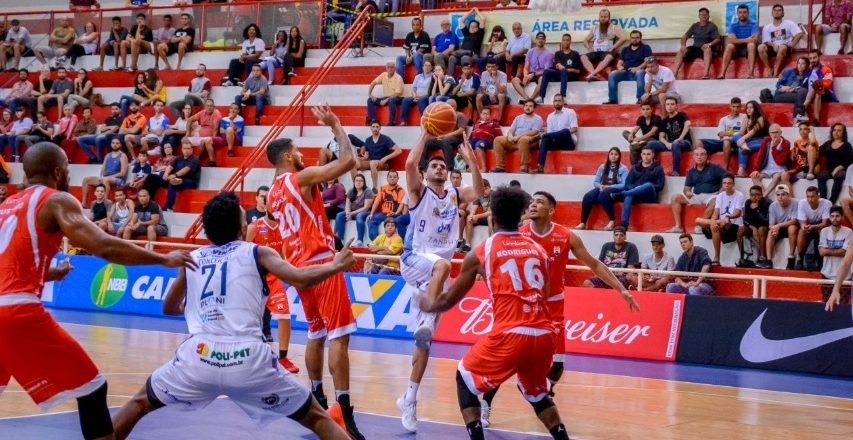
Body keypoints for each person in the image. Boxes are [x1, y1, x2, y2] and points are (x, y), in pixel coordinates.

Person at [111, 192, 352, 440]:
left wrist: (196, 309)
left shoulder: (192, 258)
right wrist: (335, 265)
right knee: (316, 418)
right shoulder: (259, 253)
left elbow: (169, 308)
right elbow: (301, 278)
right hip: (248, 359)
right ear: (240, 224)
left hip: (199, 356)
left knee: (139, 404)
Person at [0, 142, 195, 440]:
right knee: (93, 388)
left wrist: (48, 273)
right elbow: (103, 245)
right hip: (17, 312)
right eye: (66, 167)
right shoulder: (56, 200)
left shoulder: (7, 206)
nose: (68, 173)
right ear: (57, 171)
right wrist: (162, 259)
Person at [424, 185, 638, 439]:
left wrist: (429, 304)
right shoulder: (536, 248)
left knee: (466, 377)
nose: (535, 205)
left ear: (493, 214)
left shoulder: (489, 248)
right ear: (522, 213)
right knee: (537, 392)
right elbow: (545, 290)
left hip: (515, 326)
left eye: (540, 202)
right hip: (543, 324)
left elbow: (451, 297)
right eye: (532, 202)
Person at [265, 105, 366, 439]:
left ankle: (318, 396)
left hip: (298, 271)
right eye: (298, 152)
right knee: (339, 335)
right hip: (322, 263)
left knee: (315, 332)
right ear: (291, 156)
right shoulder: (300, 178)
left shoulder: (273, 196)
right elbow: (349, 163)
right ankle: (344, 409)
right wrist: (337, 125)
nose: (301, 155)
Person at [395, 127, 483, 433]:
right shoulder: (419, 193)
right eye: (433, 164)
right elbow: (408, 166)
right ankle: (430, 306)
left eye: (443, 165)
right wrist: (424, 133)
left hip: (433, 275)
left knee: (424, 343)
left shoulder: (456, 194)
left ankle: (409, 398)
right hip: (413, 260)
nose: (439, 166)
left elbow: (481, 191)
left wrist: (468, 153)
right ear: (425, 171)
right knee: (445, 266)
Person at [245, 209, 301, 374]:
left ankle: (283, 358)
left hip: (275, 279)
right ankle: (248, 356)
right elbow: (245, 254)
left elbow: (285, 257)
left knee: (284, 316)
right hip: (255, 278)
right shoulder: (254, 227)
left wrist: (291, 274)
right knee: (251, 320)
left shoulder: (285, 228)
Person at [612, 146, 665, 230]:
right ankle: (624, 225)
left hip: (649, 196)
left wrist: (644, 187)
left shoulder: (658, 168)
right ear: (641, 155)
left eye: (648, 154)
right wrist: (638, 188)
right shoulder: (635, 167)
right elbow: (627, 184)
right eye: (644, 154)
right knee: (628, 196)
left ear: (653, 155)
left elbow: (660, 186)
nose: (646, 156)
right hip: (635, 195)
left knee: (648, 185)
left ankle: (622, 194)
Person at [695, 174, 744, 265]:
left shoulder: (739, 195)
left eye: (729, 183)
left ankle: (716, 257)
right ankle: (716, 258)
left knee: (717, 226)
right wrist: (713, 221)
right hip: (721, 222)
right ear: (722, 184)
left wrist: (728, 217)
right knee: (698, 220)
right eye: (724, 183)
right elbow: (715, 213)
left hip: (733, 224)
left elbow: (737, 212)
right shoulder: (720, 196)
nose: (726, 185)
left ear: (733, 184)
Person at [576, 147, 628, 231]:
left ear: (619, 156)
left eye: (616, 154)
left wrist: (609, 187)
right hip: (603, 187)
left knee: (602, 196)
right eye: (611, 154)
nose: (613, 156)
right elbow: (596, 182)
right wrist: (600, 186)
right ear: (608, 155)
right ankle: (583, 222)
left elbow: (624, 185)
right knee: (587, 197)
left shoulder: (623, 169)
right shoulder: (602, 167)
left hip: (616, 189)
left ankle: (612, 220)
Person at [491, 99, 542, 173]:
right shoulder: (518, 118)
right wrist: (510, 136)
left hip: (531, 140)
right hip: (516, 140)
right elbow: (511, 130)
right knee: (498, 139)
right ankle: (500, 167)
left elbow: (534, 132)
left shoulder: (538, 119)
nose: (528, 107)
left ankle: (524, 167)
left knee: (523, 139)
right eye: (526, 106)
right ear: (523, 107)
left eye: (530, 106)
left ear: (534, 108)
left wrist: (519, 136)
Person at [647, 97, 692, 176]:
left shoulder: (682, 115)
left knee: (676, 143)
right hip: (671, 144)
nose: (669, 106)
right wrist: (667, 143)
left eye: (672, 104)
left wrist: (680, 138)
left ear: (676, 106)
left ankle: (676, 171)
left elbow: (688, 124)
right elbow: (661, 137)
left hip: (685, 142)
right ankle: (652, 168)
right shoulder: (664, 120)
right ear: (665, 106)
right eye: (667, 104)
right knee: (651, 144)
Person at [605, 30, 652, 105]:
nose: (635, 39)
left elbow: (647, 61)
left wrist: (637, 68)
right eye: (633, 38)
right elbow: (620, 61)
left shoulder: (645, 48)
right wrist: (619, 67)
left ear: (640, 38)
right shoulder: (625, 49)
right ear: (630, 38)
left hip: (638, 72)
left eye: (637, 37)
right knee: (612, 74)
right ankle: (612, 100)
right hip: (625, 72)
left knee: (640, 73)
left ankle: (640, 99)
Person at [672, 7, 721, 79]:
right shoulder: (695, 25)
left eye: (705, 14)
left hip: (705, 48)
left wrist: (709, 44)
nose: (703, 16)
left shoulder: (712, 26)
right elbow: (684, 37)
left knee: (707, 49)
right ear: (699, 16)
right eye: (701, 15)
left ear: (708, 16)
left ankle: (706, 74)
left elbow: (717, 39)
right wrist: (683, 45)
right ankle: (674, 74)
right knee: (681, 50)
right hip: (695, 48)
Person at [534, 94, 577, 174]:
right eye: (555, 101)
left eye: (559, 101)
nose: (557, 103)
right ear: (553, 102)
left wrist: (551, 134)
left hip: (567, 142)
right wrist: (549, 135)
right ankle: (540, 165)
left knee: (565, 131)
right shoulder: (550, 116)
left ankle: (545, 136)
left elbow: (574, 129)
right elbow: (550, 133)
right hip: (555, 142)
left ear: (563, 102)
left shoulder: (570, 112)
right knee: (546, 138)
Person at [580, 9, 627, 82]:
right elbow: (585, 40)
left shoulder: (614, 27)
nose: (603, 18)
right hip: (596, 52)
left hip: (607, 53)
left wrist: (613, 47)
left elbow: (624, 38)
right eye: (601, 17)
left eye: (605, 17)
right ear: (599, 17)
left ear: (609, 18)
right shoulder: (595, 28)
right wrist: (589, 48)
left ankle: (592, 74)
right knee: (583, 57)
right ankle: (595, 75)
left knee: (608, 57)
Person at [758, 4, 804, 78]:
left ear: (783, 13)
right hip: (773, 48)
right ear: (772, 13)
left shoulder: (789, 23)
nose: (777, 12)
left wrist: (791, 45)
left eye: (779, 10)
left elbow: (800, 34)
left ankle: (776, 71)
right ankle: (769, 69)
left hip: (785, 48)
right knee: (760, 47)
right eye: (775, 10)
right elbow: (766, 41)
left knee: (782, 47)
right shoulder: (767, 27)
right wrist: (773, 45)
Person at [81, 137, 128, 208]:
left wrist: (107, 177)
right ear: (111, 144)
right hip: (105, 178)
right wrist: (101, 177)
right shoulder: (108, 155)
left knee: (106, 180)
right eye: (113, 143)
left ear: (120, 145)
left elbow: (122, 174)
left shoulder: (123, 156)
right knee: (86, 179)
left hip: (117, 179)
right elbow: (103, 169)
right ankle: (84, 203)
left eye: (117, 143)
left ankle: (104, 203)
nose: (115, 145)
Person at [355, 120, 402, 190]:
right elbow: (367, 155)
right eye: (373, 127)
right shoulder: (368, 140)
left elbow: (398, 150)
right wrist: (363, 158)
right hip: (371, 162)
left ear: (380, 128)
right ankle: (356, 187)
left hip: (383, 163)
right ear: (370, 128)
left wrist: (385, 158)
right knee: (354, 163)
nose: (375, 128)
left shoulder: (385, 139)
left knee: (372, 163)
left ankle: (374, 188)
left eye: (377, 127)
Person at [750, 124, 794, 197]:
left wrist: (773, 148)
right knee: (754, 176)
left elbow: (780, 161)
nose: (774, 135)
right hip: (767, 168)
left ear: (780, 133)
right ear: (769, 133)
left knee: (776, 176)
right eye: (772, 133)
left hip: (779, 169)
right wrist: (756, 169)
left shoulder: (786, 143)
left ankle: (764, 196)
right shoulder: (766, 140)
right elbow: (760, 156)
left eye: (776, 132)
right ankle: (766, 197)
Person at [819, 206, 852, 300]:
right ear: (829, 217)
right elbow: (821, 252)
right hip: (827, 273)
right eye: (832, 216)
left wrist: (828, 251)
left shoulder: (849, 232)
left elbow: (845, 253)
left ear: (842, 217)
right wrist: (839, 251)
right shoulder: (824, 231)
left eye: (837, 216)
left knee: (843, 304)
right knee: (825, 301)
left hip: (845, 277)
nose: (834, 219)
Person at [718, 4, 758, 79]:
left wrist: (737, 40)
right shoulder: (733, 25)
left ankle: (751, 73)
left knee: (751, 45)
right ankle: (722, 73)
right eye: (740, 12)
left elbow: (754, 39)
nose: (742, 14)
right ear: (737, 14)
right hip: (736, 49)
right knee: (729, 46)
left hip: (748, 49)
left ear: (748, 13)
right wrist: (746, 40)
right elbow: (731, 40)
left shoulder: (754, 23)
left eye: (744, 12)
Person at [510, 32, 552, 104]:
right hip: (530, 74)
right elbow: (526, 67)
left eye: (542, 39)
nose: (540, 40)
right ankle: (526, 98)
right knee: (514, 80)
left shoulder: (549, 53)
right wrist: (525, 75)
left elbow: (546, 70)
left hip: (540, 75)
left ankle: (531, 99)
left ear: (545, 41)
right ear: (536, 40)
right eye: (539, 38)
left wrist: (533, 74)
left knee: (543, 79)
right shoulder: (530, 51)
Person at [796, 185, 832, 269]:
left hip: (820, 225)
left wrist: (812, 227)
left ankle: (822, 259)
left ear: (818, 196)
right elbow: (802, 222)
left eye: (812, 196)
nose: (810, 199)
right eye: (808, 197)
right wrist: (804, 227)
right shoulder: (802, 203)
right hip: (809, 225)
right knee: (801, 231)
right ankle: (800, 258)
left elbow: (825, 224)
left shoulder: (827, 203)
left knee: (822, 231)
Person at [160, 138, 200, 212]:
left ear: (192, 149)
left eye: (188, 148)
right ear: (182, 149)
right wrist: (166, 173)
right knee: (159, 175)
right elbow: (170, 166)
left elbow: (186, 169)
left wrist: (175, 175)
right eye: (185, 148)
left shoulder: (195, 158)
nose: (186, 150)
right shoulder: (178, 158)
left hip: (190, 182)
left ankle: (168, 206)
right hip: (178, 179)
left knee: (173, 182)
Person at [367, 170, 408, 240]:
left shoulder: (400, 190)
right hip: (384, 214)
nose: (392, 178)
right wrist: (371, 213)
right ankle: (376, 242)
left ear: (398, 178)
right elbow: (377, 201)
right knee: (371, 220)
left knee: (399, 221)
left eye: (395, 177)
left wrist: (395, 213)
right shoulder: (382, 188)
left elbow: (401, 204)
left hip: (395, 214)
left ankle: (404, 243)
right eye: (390, 177)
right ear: (387, 178)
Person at [817, 123, 853, 203]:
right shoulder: (828, 144)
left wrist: (837, 168)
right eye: (834, 130)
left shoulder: (847, 145)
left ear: (843, 133)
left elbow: (849, 161)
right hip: (829, 170)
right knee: (821, 176)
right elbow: (818, 151)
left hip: (843, 171)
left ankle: (832, 201)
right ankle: (824, 201)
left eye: (839, 130)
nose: (836, 132)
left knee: (839, 176)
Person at [766, 184, 800, 269]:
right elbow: (771, 224)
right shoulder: (773, 206)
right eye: (778, 195)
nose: (780, 197)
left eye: (783, 194)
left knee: (792, 228)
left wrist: (778, 225)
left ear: (788, 195)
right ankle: (769, 261)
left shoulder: (796, 203)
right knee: (771, 232)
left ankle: (791, 258)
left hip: (789, 227)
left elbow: (795, 220)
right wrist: (774, 228)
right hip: (779, 228)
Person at [334, 174, 374, 245]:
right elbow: (347, 205)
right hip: (353, 212)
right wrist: (347, 213)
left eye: (360, 181)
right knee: (340, 215)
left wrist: (351, 213)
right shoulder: (351, 191)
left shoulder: (368, 191)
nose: (358, 182)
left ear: (364, 182)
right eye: (356, 181)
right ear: (354, 182)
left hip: (365, 212)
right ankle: (339, 240)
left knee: (359, 216)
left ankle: (360, 240)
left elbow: (366, 208)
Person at [540, 33, 581, 102]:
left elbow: (578, 71)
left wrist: (568, 69)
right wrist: (562, 68)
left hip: (570, 76)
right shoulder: (558, 53)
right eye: (564, 40)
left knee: (563, 71)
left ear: (570, 41)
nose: (565, 42)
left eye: (567, 40)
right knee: (547, 71)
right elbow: (558, 64)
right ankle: (541, 97)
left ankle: (563, 97)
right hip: (560, 75)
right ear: (561, 41)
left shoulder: (575, 54)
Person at [800, 50, 837, 126]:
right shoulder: (808, 72)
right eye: (810, 58)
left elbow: (828, 83)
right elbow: (803, 85)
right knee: (815, 89)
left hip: (826, 93)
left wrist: (817, 84)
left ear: (819, 57)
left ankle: (804, 106)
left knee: (818, 87)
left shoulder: (826, 69)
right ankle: (816, 121)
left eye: (814, 58)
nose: (812, 60)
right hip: (811, 94)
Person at [738, 185, 771, 267]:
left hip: (765, 227)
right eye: (752, 195)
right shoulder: (748, 202)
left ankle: (762, 258)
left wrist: (757, 209)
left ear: (761, 195)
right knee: (741, 230)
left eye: (757, 194)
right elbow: (745, 219)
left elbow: (766, 220)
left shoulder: (767, 203)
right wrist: (753, 228)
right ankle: (743, 256)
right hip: (752, 227)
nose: (754, 197)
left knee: (761, 229)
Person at [448, 8, 486, 75]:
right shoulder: (466, 33)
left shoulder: (479, 34)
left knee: (464, 57)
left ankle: (465, 78)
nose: (472, 28)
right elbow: (461, 20)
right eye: (471, 26)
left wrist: (476, 10)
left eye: (475, 27)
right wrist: (471, 11)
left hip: (473, 55)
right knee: (451, 58)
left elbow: (483, 19)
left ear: (478, 28)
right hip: (462, 54)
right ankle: (449, 78)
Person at [186, 99, 224, 166]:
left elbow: (215, 129)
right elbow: (189, 119)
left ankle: (210, 161)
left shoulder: (216, 113)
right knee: (184, 140)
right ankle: (186, 160)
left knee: (206, 140)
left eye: (211, 106)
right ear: (204, 106)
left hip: (210, 137)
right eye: (207, 106)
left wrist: (213, 139)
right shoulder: (202, 112)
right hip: (200, 136)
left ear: (214, 107)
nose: (209, 107)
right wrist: (187, 134)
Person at [366, 61, 405, 126]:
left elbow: (397, 93)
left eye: (392, 67)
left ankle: (392, 122)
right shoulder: (383, 75)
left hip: (398, 98)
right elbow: (373, 83)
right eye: (388, 67)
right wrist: (370, 94)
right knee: (370, 100)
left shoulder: (398, 78)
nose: (390, 69)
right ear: (386, 68)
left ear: (395, 68)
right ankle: (373, 121)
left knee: (391, 100)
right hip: (387, 97)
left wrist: (385, 100)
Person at [773, 56, 810, 122]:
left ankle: (797, 117)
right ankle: (798, 115)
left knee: (802, 92)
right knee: (801, 95)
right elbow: (778, 85)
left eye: (803, 64)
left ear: (807, 65)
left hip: (795, 95)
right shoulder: (788, 71)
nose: (800, 65)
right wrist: (784, 88)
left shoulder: (806, 76)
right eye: (798, 63)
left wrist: (792, 89)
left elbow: (803, 89)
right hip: (780, 94)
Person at [464, 179, 493, 245]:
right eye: (482, 189)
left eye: (486, 188)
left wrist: (478, 216)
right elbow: (474, 209)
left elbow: (493, 211)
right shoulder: (479, 196)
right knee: (469, 218)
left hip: (495, 218)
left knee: (489, 217)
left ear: (490, 188)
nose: (484, 191)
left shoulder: (494, 195)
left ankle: (491, 240)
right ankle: (467, 243)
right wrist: (471, 215)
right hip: (484, 217)